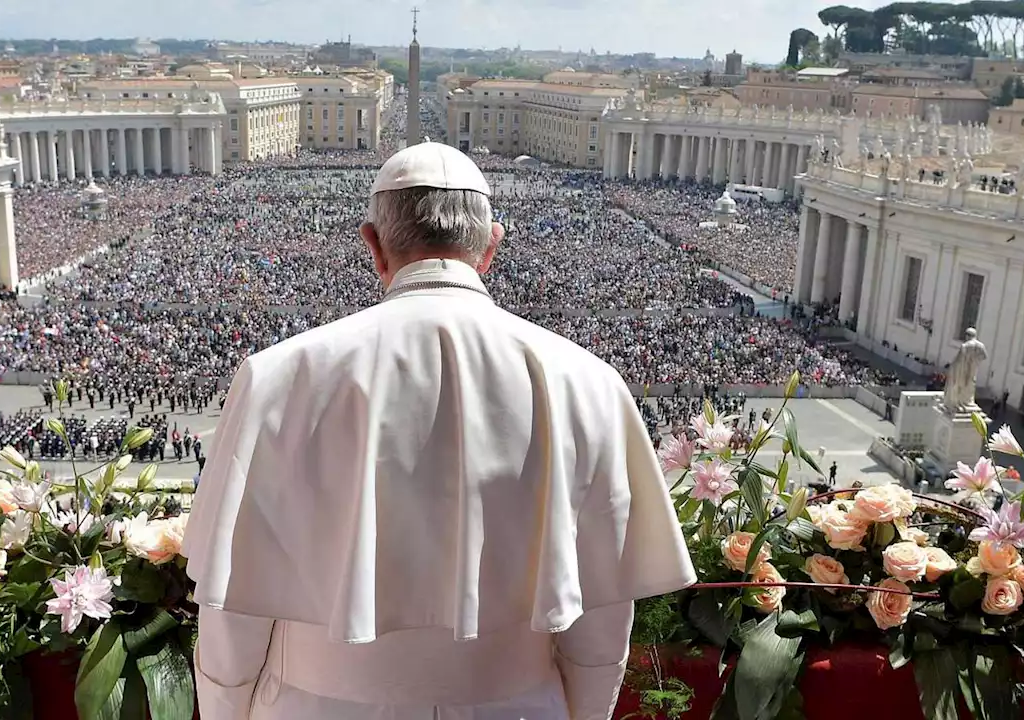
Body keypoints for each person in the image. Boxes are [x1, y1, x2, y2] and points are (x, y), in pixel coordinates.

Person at [183, 143, 696, 720]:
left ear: (373, 246)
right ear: (490, 248)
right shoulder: (588, 382)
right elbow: (601, 622)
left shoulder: (276, 376)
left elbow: (233, 613)